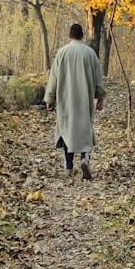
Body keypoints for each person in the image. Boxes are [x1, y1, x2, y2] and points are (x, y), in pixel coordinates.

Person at [44, 23, 106, 180]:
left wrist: (50, 99)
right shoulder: (90, 54)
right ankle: (85, 159)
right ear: (82, 36)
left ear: (70, 35)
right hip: (85, 99)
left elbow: (54, 78)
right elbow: (98, 78)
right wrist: (100, 98)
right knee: (84, 130)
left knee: (67, 131)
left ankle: (69, 167)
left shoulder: (62, 53)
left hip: (66, 99)